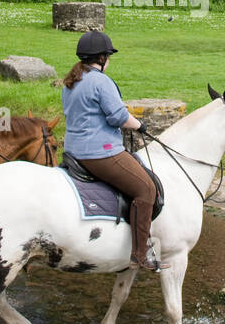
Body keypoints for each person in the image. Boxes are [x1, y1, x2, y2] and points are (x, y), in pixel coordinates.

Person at [60, 31, 166, 271]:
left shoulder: (71, 81)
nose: (109, 60)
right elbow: (119, 117)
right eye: (108, 56)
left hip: (73, 152)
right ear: (101, 58)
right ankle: (140, 256)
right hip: (100, 153)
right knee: (146, 188)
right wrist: (140, 125)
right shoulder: (101, 81)